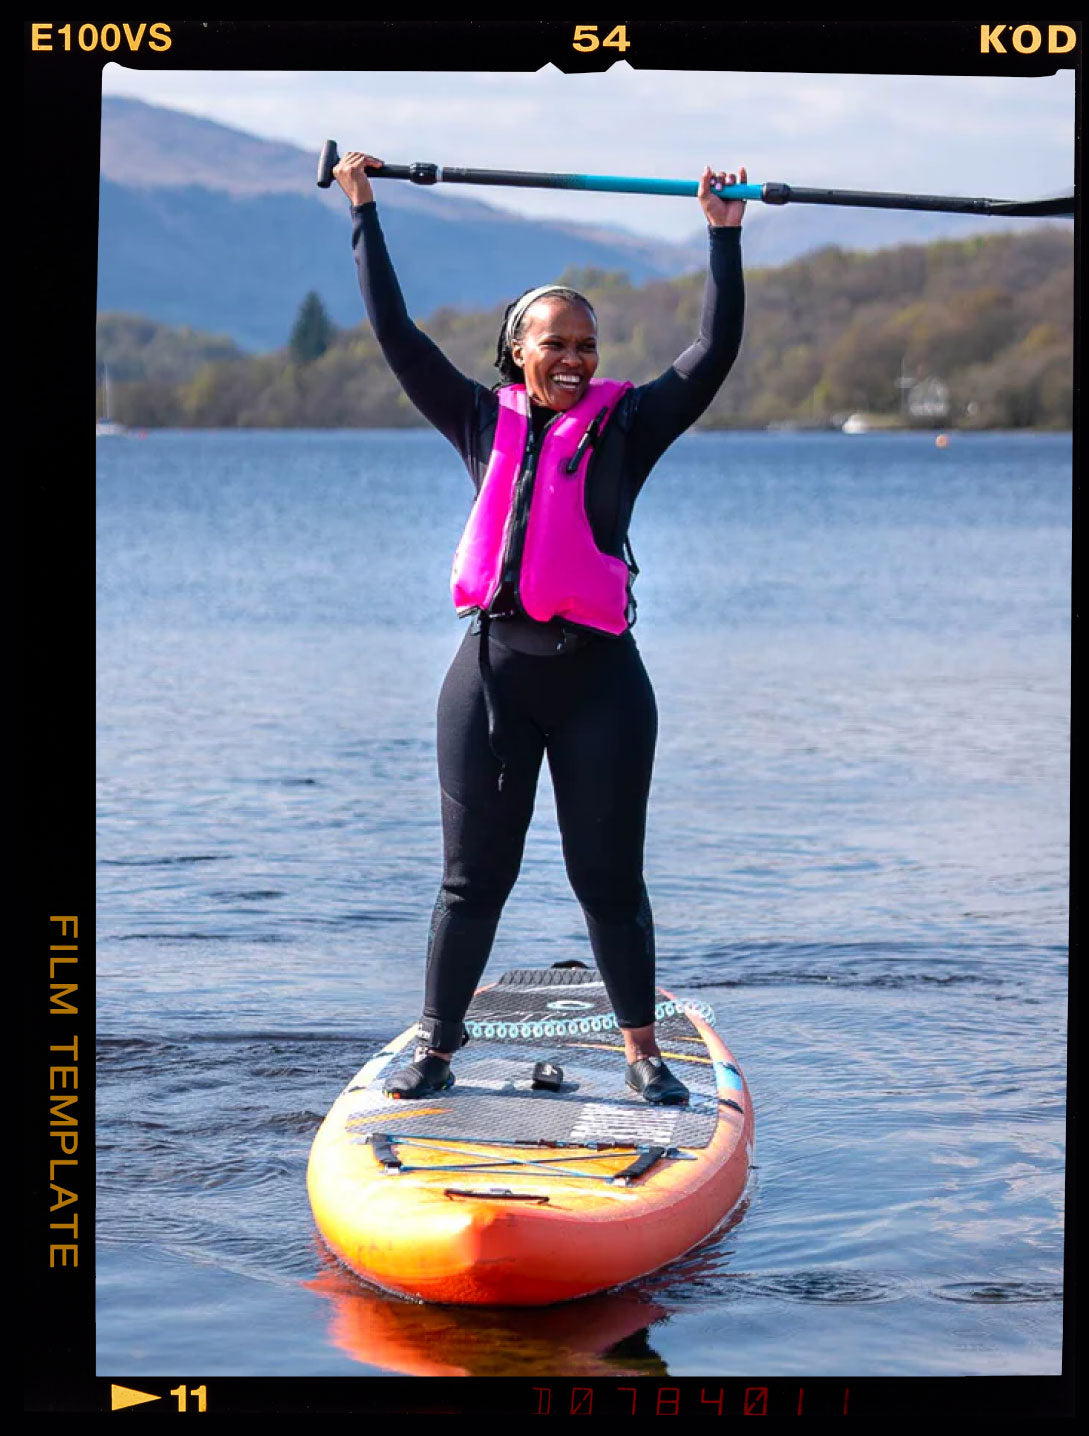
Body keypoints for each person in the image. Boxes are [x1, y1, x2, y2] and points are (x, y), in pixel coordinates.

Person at [334, 150, 745, 1104]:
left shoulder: (631, 425)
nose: (572, 359)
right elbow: (395, 332)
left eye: (585, 346)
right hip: (489, 679)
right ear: (517, 351)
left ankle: (643, 1055)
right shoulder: (478, 420)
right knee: (471, 881)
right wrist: (364, 209)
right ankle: (436, 1047)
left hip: (601, 681)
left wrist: (720, 238)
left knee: (608, 879)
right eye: (553, 343)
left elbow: (711, 353)